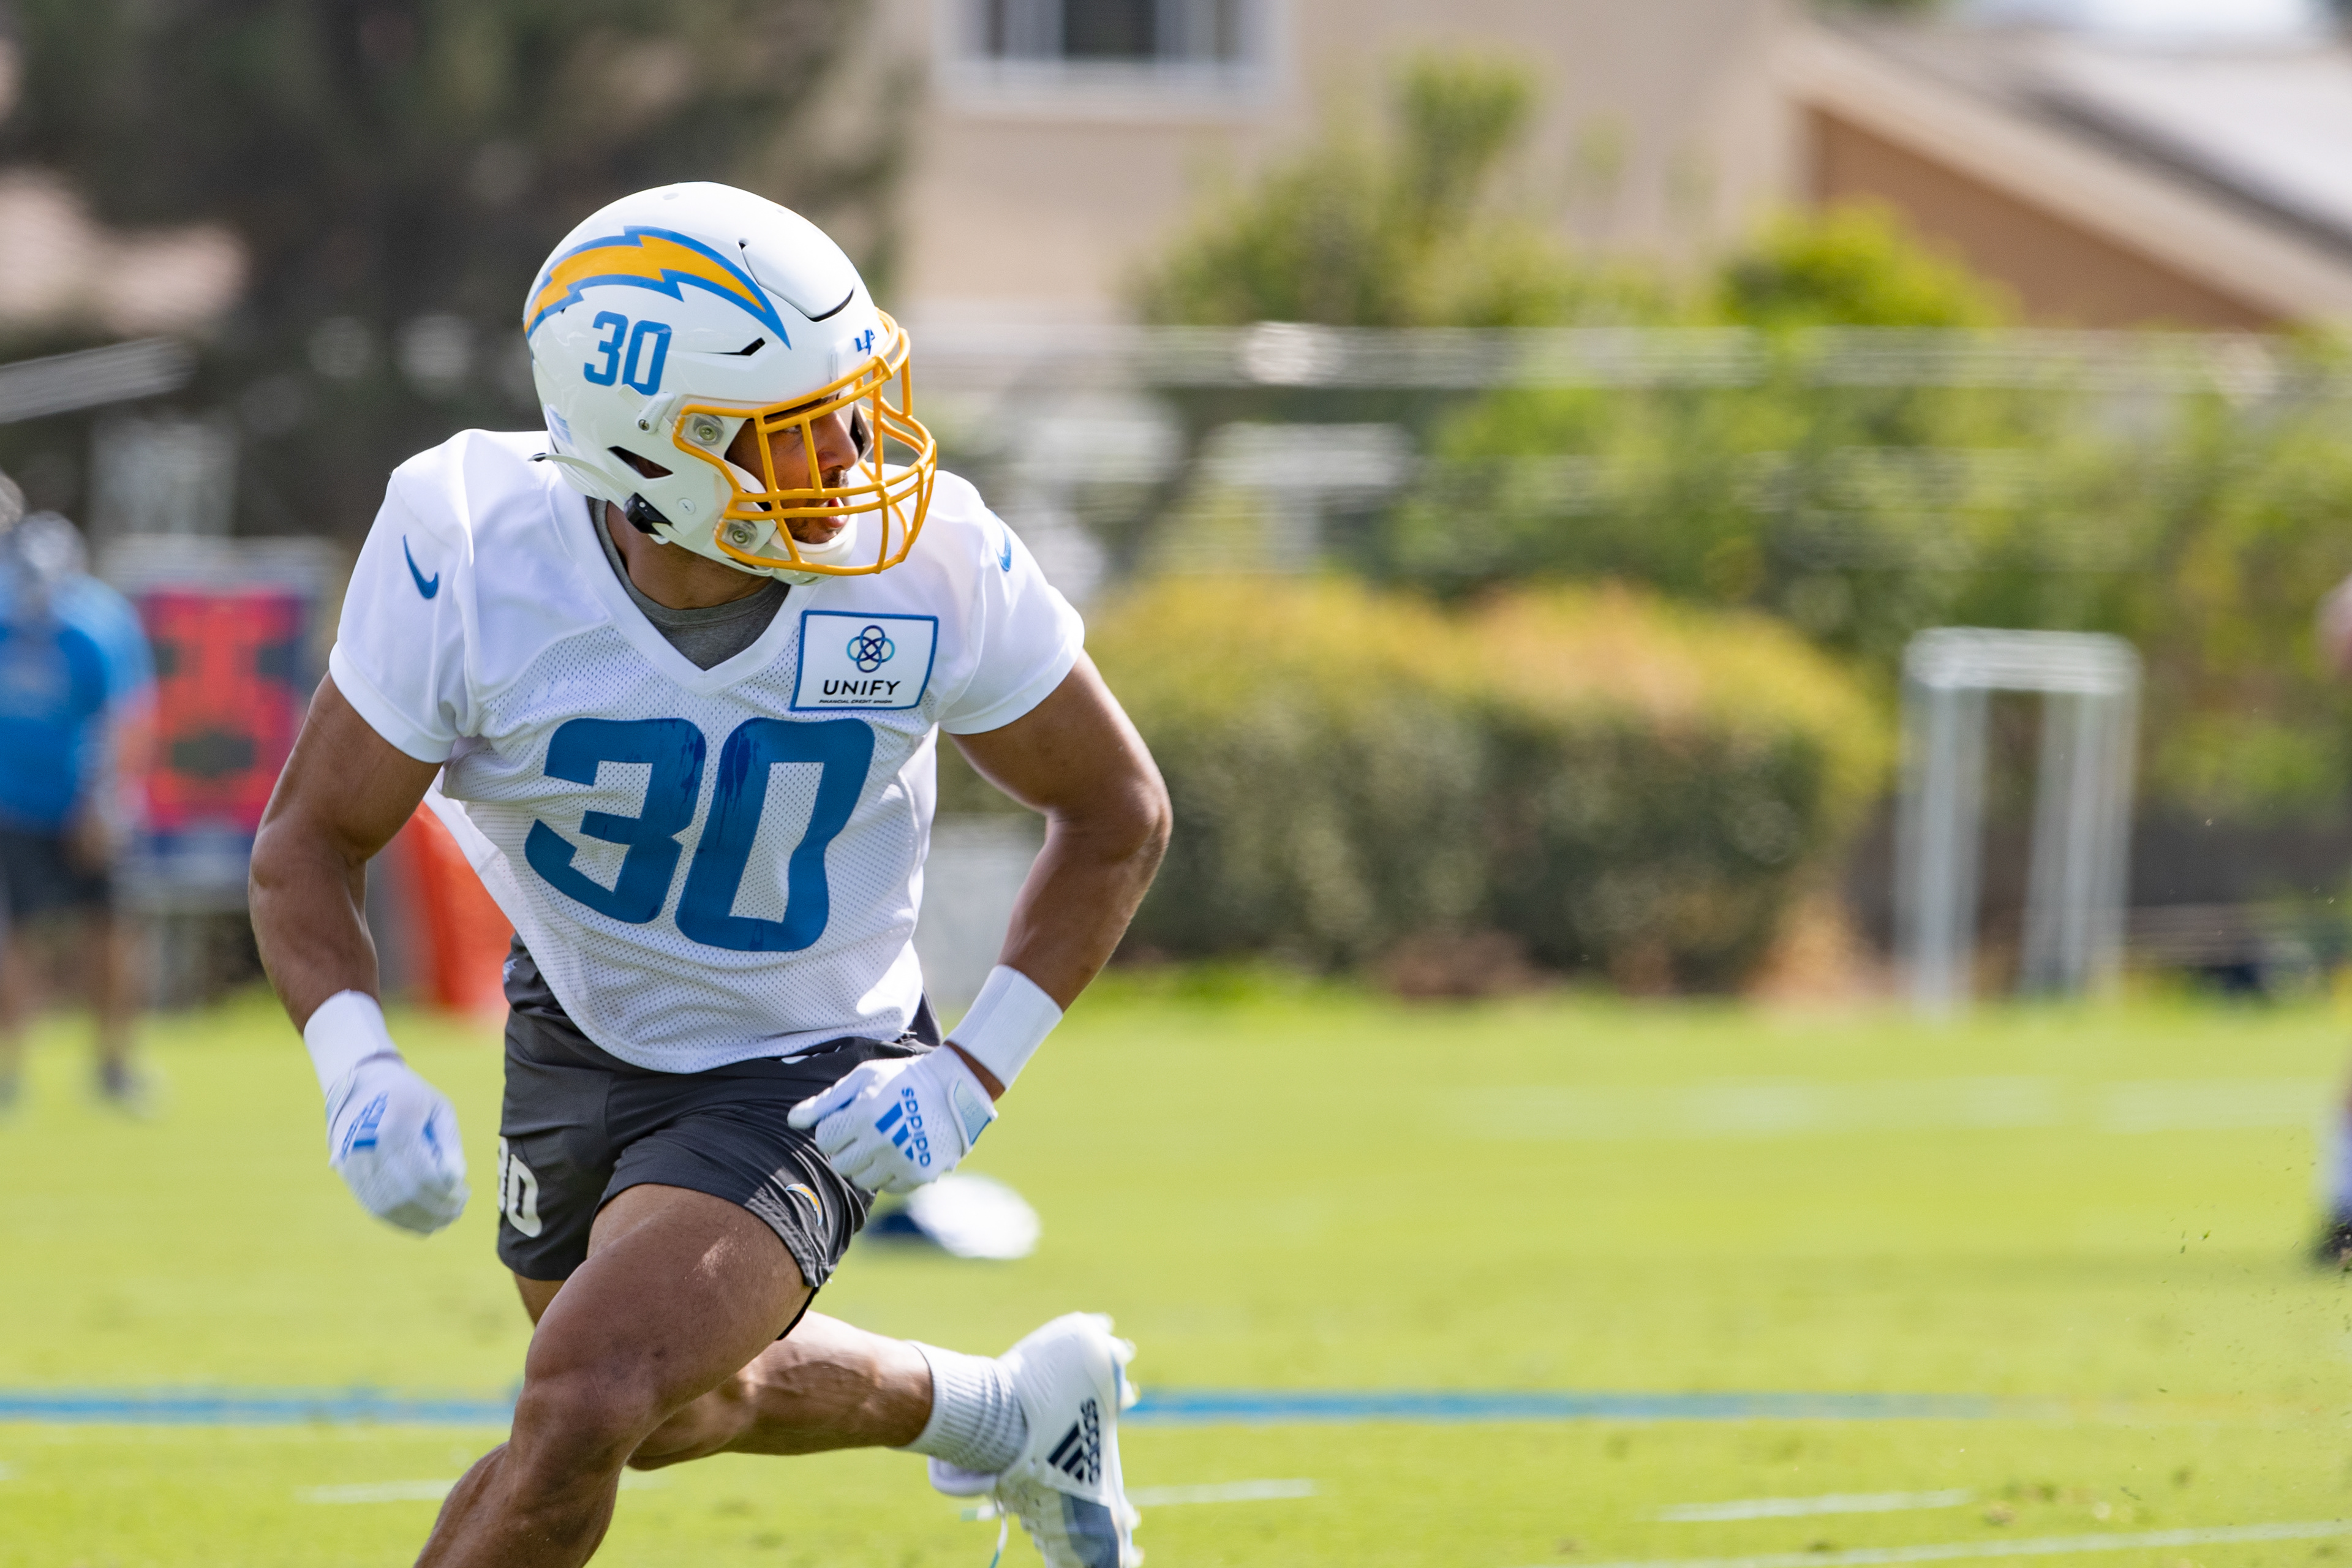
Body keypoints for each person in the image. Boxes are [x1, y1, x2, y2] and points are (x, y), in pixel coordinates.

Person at [248, 183, 1171, 1567]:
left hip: (811, 1052)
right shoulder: (471, 541)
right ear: (654, 460)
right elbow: (308, 843)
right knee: (669, 1403)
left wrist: (968, 1070)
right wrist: (357, 1067)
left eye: (856, 401)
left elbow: (1114, 807)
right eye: (801, 431)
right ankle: (1008, 1410)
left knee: (586, 1395)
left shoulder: (932, 563)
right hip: (577, 1016)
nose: (859, 450)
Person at [0, 483, 154, 1114]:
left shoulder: (96, 627)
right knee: (19, 937)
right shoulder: (7, 618)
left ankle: (116, 1065)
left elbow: (129, 722)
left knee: (110, 932)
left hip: (92, 802)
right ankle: (11, 1071)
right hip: (16, 803)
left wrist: (103, 805)